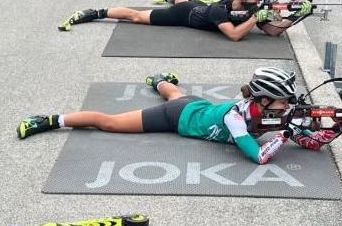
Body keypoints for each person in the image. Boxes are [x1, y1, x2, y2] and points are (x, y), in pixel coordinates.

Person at [19, 66, 300, 159]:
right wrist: (286, 134)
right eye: (281, 102)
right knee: (110, 123)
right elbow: (259, 156)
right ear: (262, 100)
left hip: (195, 106)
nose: (285, 106)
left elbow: (300, 128)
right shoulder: (235, 118)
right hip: (175, 118)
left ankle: (158, 80)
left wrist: (320, 131)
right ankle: (50, 120)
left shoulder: (263, 111)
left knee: (176, 93)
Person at [58, 0, 309, 41]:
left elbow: (275, 31)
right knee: (136, 17)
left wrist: (298, 16)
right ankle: (96, 12)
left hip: (197, 6)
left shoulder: (253, 9)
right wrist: (255, 19)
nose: (259, 1)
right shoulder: (220, 11)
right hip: (186, 16)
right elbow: (233, 36)